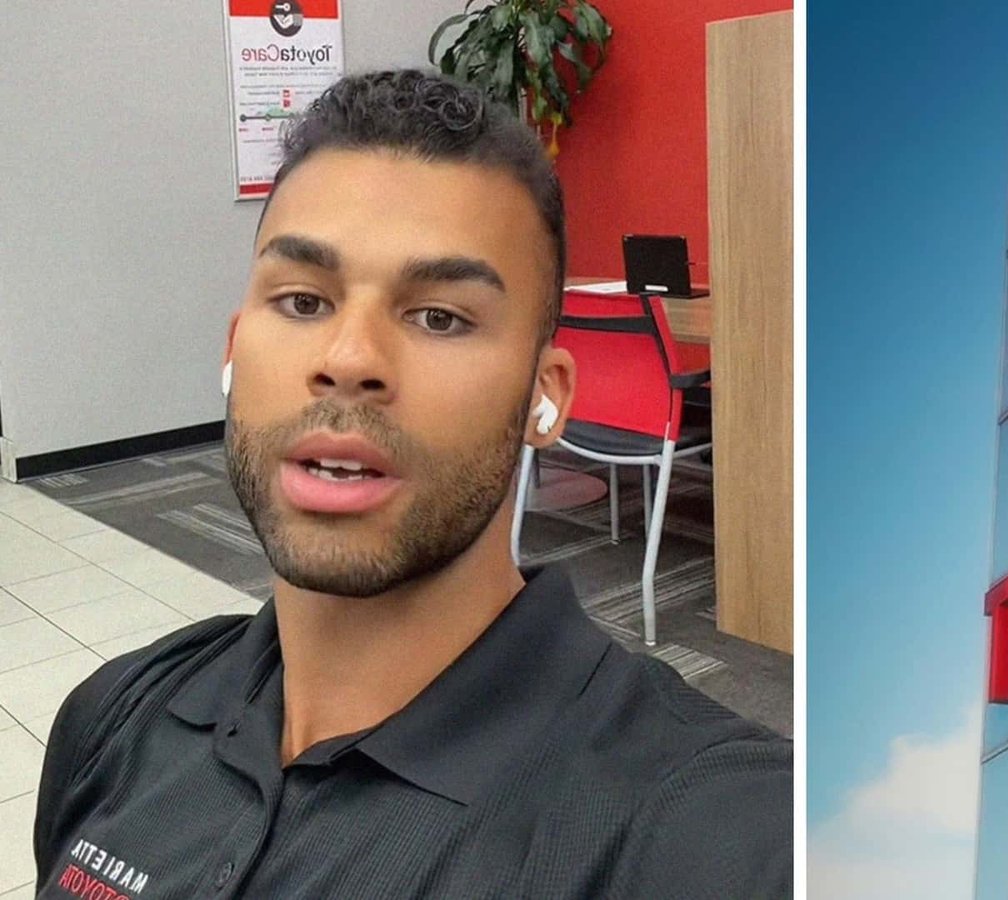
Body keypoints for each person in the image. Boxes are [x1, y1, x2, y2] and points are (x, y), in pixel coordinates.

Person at [30, 69, 792, 899]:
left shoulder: (709, 829)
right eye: (303, 300)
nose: (348, 359)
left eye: (440, 317)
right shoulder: (115, 713)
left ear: (547, 399)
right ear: (233, 347)